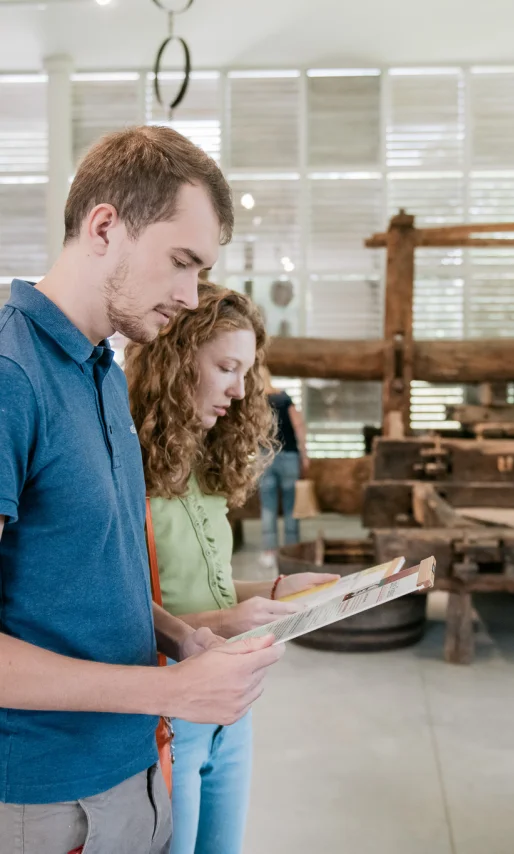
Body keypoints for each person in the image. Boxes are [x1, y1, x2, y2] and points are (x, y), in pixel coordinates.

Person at [0, 126, 284, 854]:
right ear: (104, 227)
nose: (192, 297)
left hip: (134, 773)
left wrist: (184, 637)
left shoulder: (99, 370)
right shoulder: (11, 376)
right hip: (47, 799)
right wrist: (170, 693)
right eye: (181, 263)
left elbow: (95, 571)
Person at [126, 282, 337, 854]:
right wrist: (227, 619)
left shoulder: (203, 455)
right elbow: (123, 606)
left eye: (246, 372)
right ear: (175, 358)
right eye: (225, 367)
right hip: (168, 706)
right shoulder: (122, 460)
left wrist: (273, 588)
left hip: (233, 705)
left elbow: (207, 583)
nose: (240, 390)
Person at [259, 367, 310, 568]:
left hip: (264, 458)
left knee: (268, 506)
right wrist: (304, 454)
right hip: (289, 456)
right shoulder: (283, 397)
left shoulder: (254, 402)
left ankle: (270, 552)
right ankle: (292, 551)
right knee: (291, 507)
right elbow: (299, 426)